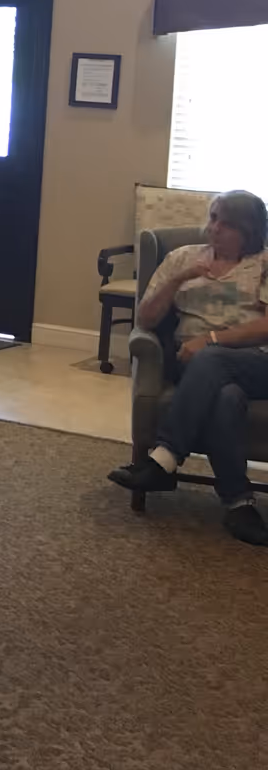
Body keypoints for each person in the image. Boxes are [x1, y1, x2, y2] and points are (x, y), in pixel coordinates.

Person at [109, 190, 268, 546]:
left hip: (258, 363)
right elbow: (146, 318)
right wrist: (178, 278)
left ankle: (164, 459)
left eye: (226, 224)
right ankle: (239, 503)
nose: (213, 229)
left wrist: (212, 339)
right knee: (226, 397)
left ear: (249, 231)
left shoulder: (265, 263)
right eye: (213, 218)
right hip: (197, 368)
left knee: (211, 358)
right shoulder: (182, 257)